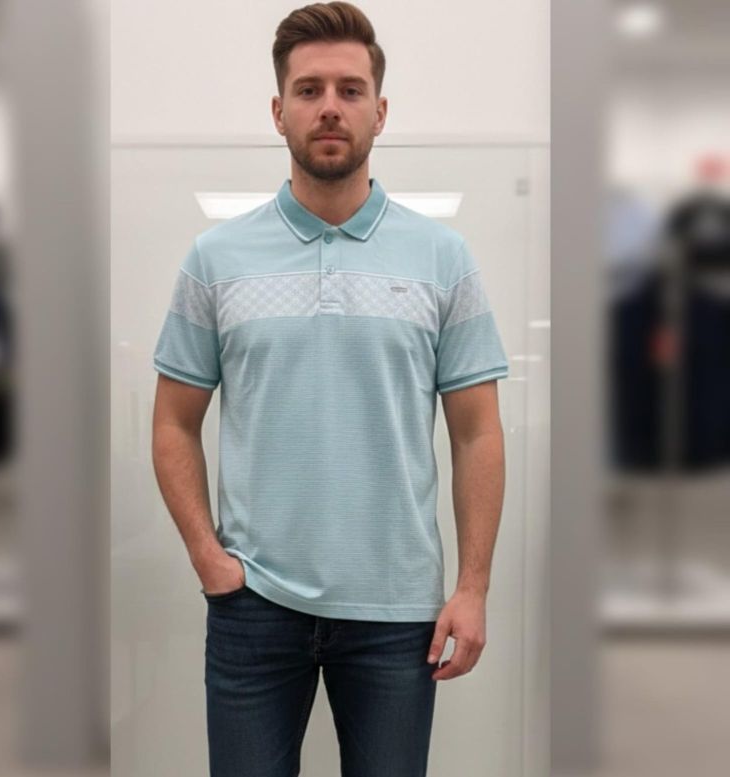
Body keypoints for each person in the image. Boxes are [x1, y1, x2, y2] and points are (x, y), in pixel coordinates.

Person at [151, 3, 508, 775]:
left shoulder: (443, 258)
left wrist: (472, 587)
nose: (330, 107)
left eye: (350, 89)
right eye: (308, 90)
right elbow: (173, 422)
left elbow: (477, 431)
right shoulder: (215, 258)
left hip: (398, 614)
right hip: (254, 607)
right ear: (278, 111)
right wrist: (211, 559)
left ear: (381, 110)